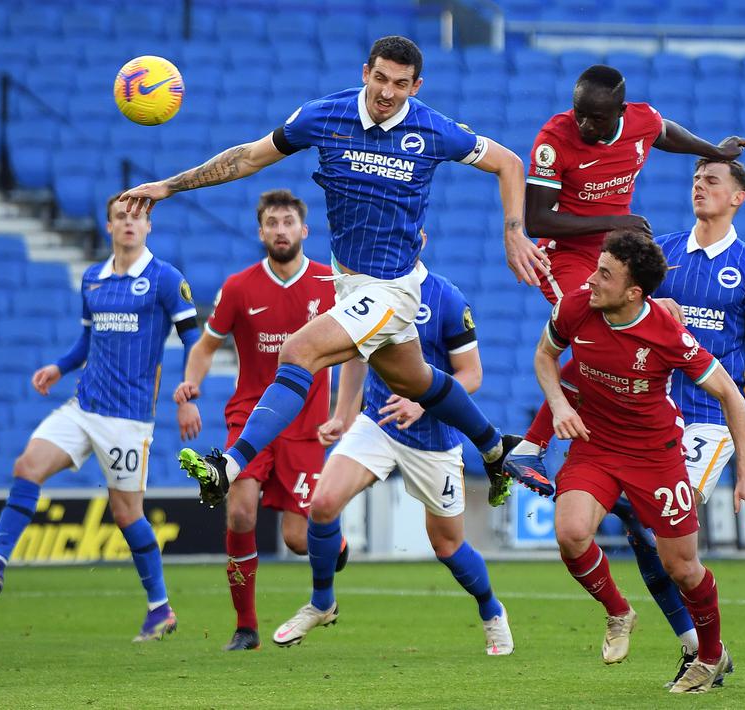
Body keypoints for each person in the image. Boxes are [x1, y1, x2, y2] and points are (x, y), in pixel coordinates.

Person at [121, 35, 542, 510]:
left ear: (416, 86)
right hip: (350, 283)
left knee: (297, 351)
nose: (387, 92)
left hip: (393, 288)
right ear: (365, 73)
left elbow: (509, 163)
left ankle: (229, 466)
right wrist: (170, 186)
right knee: (415, 381)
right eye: (380, 78)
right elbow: (250, 156)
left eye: (400, 84)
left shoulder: (433, 129)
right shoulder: (324, 116)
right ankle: (496, 448)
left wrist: (513, 233)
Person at [0, 195, 200, 643]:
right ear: (108, 226)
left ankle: (160, 608)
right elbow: (87, 341)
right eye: (121, 216)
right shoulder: (93, 279)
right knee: (27, 466)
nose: (129, 223)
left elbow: (194, 339)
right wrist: (59, 367)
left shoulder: (165, 278)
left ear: (149, 227)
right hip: (83, 407)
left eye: (138, 217)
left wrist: (188, 393)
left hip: (127, 420)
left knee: (127, 515)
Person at [538, 231, 745, 693]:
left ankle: (710, 656)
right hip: (596, 446)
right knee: (571, 533)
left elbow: (730, 394)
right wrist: (560, 406)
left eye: (605, 274)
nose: (591, 279)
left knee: (682, 567)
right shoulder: (576, 306)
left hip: (654, 456)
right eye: (597, 268)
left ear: (633, 293)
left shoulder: (666, 333)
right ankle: (619, 612)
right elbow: (545, 356)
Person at [505, 63, 745, 490]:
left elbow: (664, 132)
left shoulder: (640, 120)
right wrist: (616, 220)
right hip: (565, 257)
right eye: (580, 113)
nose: (585, 124)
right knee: (597, 331)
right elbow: (538, 220)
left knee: (614, 342)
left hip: (613, 257)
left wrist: (715, 150)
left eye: (597, 117)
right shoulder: (554, 139)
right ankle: (531, 447)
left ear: (620, 112)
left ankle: (553, 449)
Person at [273, 262, 513, 656]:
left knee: (448, 546)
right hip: (379, 423)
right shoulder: (368, 286)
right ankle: (321, 603)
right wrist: (343, 415)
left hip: (434, 439)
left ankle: (491, 611)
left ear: (418, 239)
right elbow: (356, 355)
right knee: (323, 504)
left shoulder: (447, 298)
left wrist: (422, 401)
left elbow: (471, 374)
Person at [174, 189, 338, 652]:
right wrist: (190, 388)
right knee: (241, 511)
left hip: (306, 425)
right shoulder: (239, 286)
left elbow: (360, 346)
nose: (280, 230)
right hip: (250, 418)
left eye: (288, 222)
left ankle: (335, 544)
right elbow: (206, 346)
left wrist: (346, 409)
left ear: (304, 230)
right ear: (260, 232)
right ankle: (246, 627)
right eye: (272, 223)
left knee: (299, 540)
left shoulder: (330, 283)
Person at [647, 158, 745, 682]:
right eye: (696, 179)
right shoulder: (663, 254)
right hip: (655, 410)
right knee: (650, 536)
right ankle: (702, 645)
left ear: (738, 197)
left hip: (710, 418)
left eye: (712, 181)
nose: (700, 186)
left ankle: (703, 649)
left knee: (667, 525)